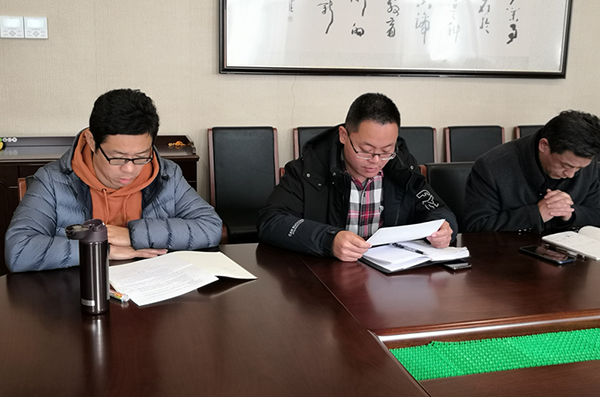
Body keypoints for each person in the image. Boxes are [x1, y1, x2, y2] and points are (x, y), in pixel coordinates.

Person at [5, 89, 222, 272]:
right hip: (79, 291)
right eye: (117, 158)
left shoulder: (166, 174)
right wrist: (99, 249)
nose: (129, 169)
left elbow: (211, 227)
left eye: (141, 157)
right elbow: (19, 250)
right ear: (92, 141)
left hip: (151, 287)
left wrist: (132, 235)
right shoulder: (53, 180)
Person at [257, 93, 457, 262]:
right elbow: (271, 221)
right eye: (365, 150)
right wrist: (328, 240)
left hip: (388, 278)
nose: (376, 160)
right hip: (323, 277)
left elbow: (438, 210)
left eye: (386, 150)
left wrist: (443, 229)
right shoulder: (310, 169)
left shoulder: (402, 168)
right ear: (344, 135)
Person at [464, 110, 600, 234]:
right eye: (565, 165)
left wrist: (570, 213)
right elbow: (476, 226)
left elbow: (596, 214)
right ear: (544, 146)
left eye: (579, 168)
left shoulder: (586, 162)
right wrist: (536, 214)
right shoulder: (491, 166)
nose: (571, 174)